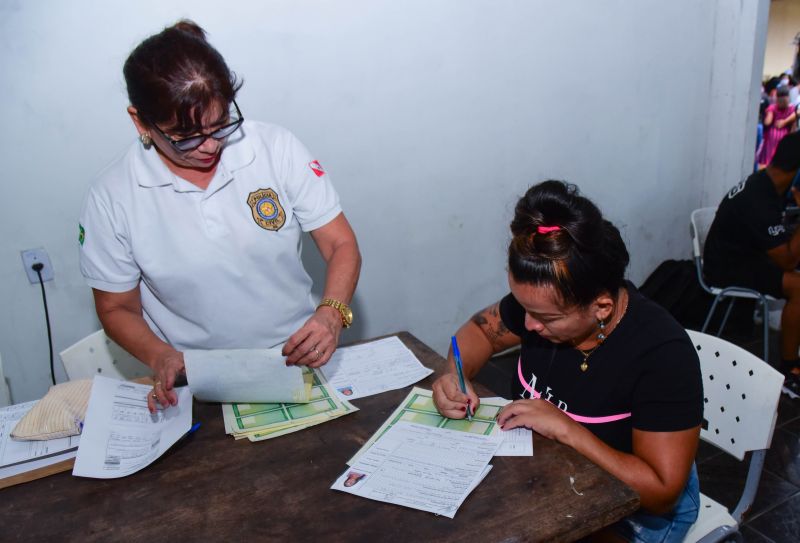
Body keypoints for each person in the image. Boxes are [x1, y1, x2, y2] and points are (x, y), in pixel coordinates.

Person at [79, 21, 361, 413]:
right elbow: (116, 307)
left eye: (221, 123)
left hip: (296, 358)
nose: (210, 145)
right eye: (186, 136)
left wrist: (331, 313)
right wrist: (161, 356)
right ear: (141, 121)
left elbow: (340, 243)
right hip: (197, 380)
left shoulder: (272, 148)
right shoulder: (114, 195)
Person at [432, 181, 703, 542]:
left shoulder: (662, 354)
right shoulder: (541, 307)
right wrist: (454, 374)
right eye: (524, 308)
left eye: (546, 318)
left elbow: (660, 492)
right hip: (553, 481)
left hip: (631, 514)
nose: (527, 325)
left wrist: (566, 429)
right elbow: (478, 332)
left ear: (601, 307)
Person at [704, 132, 800, 397]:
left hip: (742, 257)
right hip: (726, 269)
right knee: (799, 286)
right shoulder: (759, 199)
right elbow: (788, 259)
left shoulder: (767, 184)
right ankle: (790, 371)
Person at [757, 85, 796, 168]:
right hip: (785, 137)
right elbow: (795, 120)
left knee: (769, 161)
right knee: (781, 161)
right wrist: (785, 122)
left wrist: (767, 113)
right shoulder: (791, 109)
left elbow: (768, 122)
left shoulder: (773, 108)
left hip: (772, 137)